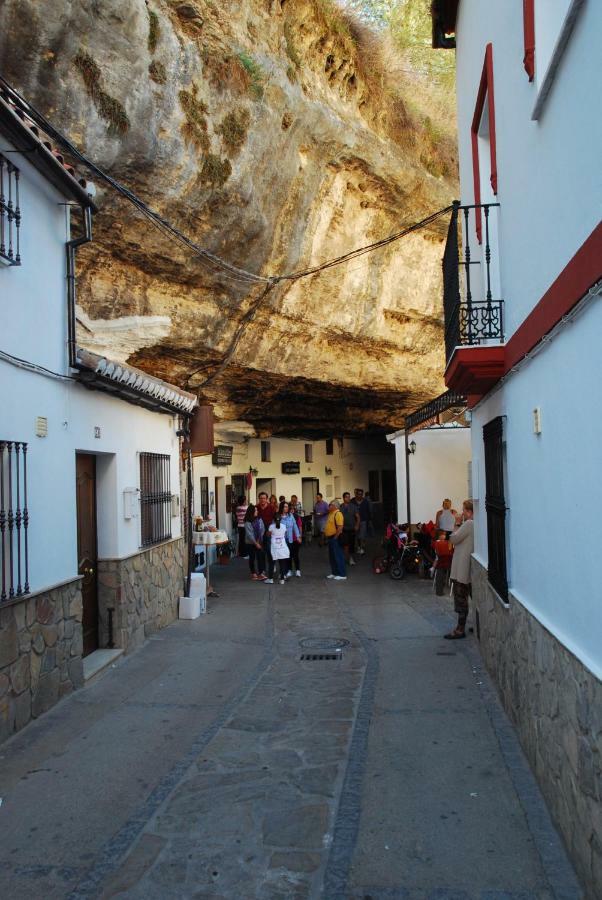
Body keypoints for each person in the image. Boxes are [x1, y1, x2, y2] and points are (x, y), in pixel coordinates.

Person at [444, 500, 474, 639]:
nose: (462, 513)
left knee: (461, 598)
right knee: (467, 597)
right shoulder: (472, 524)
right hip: (465, 565)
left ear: (468, 511)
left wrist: (456, 523)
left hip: (462, 567)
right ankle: (470, 624)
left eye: (463, 510)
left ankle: (460, 630)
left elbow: (453, 539)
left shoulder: (469, 524)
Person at [324, 500, 346, 580]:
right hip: (330, 538)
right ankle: (334, 572)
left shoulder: (338, 514)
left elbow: (340, 527)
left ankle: (342, 574)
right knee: (332, 557)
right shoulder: (331, 513)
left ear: (335, 506)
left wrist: (335, 538)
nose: (329, 506)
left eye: (330, 505)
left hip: (335, 538)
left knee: (338, 556)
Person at [266, 511, 290, 584]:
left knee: (272, 563)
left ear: (273, 519)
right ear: (281, 519)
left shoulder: (271, 526)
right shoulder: (283, 526)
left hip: (274, 547)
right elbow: (285, 534)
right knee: (282, 563)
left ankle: (270, 579)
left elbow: (268, 535)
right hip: (282, 546)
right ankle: (282, 579)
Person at [279, 501, 302, 577]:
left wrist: (298, 536)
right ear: (281, 508)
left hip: (290, 540)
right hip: (281, 540)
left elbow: (295, 526)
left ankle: (292, 570)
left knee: (291, 555)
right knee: (283, 556)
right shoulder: (278, 516)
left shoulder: (290, 516)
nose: (286, 508)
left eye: (287, 507)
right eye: (285, 507)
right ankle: (284, 571)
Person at [244, 504, 266, 580]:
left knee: (260, 557)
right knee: (252, 558)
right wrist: (255, 543)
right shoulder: (247, 522)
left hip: (258, 541)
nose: (257, 511)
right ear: (251, 511)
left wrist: (258, 541)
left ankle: (261, 573)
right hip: (250, 543)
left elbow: (262, 529)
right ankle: (253, 573)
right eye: (255, 510)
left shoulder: (259, 519)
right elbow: (249, 534)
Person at [257, 492, 275, 580]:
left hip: (268, 532)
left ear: (267, 499)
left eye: (264, 498)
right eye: (261, 498)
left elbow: (275, 520)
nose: (262, 500)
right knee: (260, 552)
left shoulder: (271, 508)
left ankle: (271, 568)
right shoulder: (256, 508)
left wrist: (271, 530)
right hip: (259, 533)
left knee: (269, 551)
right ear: (259, 499)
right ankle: (262, 571)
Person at [339, 491, 360, 566]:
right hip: (344, 528)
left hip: (352, 528)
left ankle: (351, 558)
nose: (348, 498)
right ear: (344, 498)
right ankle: (345, 558)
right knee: (345, 544)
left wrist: (357, 525)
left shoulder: (353, 506)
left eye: (349, 497)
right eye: (347, 497)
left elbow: (357, 517)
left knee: (351, 544)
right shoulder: (341, 507)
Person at [432, 529, 453, 596]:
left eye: (445, 535)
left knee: (440, 571)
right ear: (439, 535)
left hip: (442, 561)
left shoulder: (441, 542)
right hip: (444, 561)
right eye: (443, 534)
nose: (444, 536)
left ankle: (440, 590)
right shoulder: (438, 542)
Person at [351, 488, 371, 555]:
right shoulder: (352, 501)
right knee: (357, 535)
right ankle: (359, 546)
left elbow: (368, 511)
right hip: (355, 521)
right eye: (358, 494)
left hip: (363, 521)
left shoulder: (365, 501)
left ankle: (362, 548)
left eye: (361, 494)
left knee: (362, 535)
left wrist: (369, 520)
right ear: (356, 494)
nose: (360, 495)